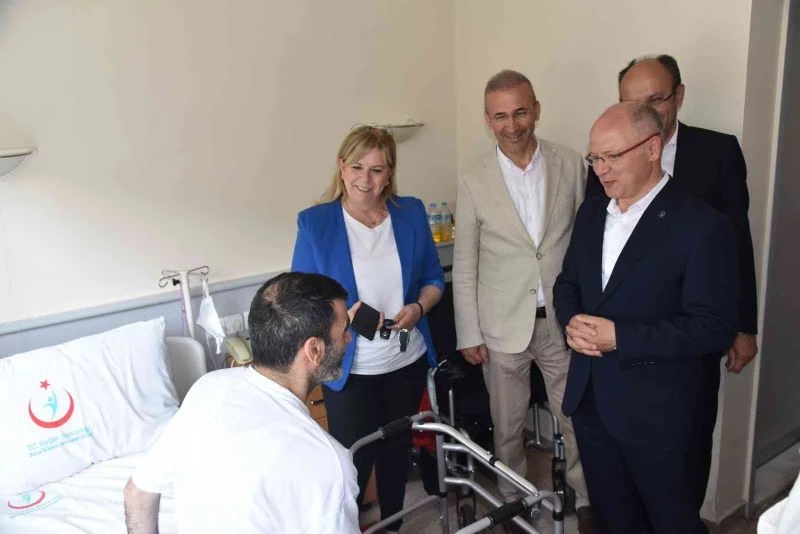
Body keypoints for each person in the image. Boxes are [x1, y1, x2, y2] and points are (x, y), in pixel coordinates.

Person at [554, 102, 739, 534]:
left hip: (660, 416)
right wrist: (572, 321)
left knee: (671, 521)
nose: (600, 169)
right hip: (591, 403)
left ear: (652, 149)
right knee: (614, 519)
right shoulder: (590, 213)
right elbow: (567, 284)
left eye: (612, 156)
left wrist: (620, 337)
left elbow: (713, 327)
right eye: (595, 157)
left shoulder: (702, 226)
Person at [584, 54, 759, 509]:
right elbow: (593, 258)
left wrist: (744, 324)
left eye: (655, 99)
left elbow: (738, 243)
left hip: (686, 348)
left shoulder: (717, 153)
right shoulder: (604, 167)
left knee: (679, 474)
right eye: (630, 102)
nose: (644, 111)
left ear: (678, 96)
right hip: (621, 354)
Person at [452, 69, 594, 533]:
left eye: (519, 112)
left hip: (562, 322)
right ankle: (511, 503)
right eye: (500, 116)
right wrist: (469, 333)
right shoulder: (473, 180)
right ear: (487, 120)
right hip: (501, 327)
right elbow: (466, 263)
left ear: (536, 110)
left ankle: (587, 499)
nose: (511, 125)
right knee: (508, 426)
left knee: (576, 418)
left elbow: (588, 243)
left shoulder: (571, 164)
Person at [291, 125, 444, 531]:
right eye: (357, 167)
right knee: (351, 462)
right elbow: (302, 300)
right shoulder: (316, 223)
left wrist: (418, 307)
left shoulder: (410, 212)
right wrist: (346, 315)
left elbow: (433, 278)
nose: (366, 179)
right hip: (351, 369)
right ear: (341, 167)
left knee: (396, 451)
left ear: (390, 173)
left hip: (405, 359)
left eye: (377, 170)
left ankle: (392, 525)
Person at [123, 272, 360, 534]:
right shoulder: (329, 465)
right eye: (344, 331)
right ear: (314, 350)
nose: (348, 339)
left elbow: (137, 494)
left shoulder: (207, 389)